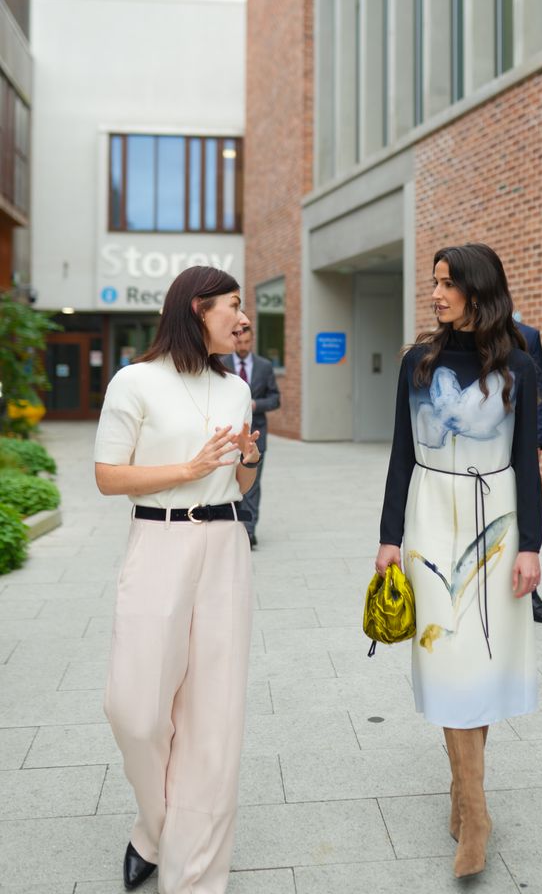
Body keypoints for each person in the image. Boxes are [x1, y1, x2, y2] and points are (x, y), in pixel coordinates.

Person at [376, 243, 542, 879]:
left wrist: (532, 545)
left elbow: (526, 460)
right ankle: (475, 813)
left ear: (479, 290)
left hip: (496, 518)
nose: (436, 294)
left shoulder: (519, 366)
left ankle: (464, 799)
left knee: (482, 661)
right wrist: (389, 536)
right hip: (429, 517)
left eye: (448, 284)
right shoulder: (417, 363)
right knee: (447, 658)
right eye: (435, 283)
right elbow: (400, 453)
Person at [94, 266, 261, 894]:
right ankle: (156, 827)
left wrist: (250, 460)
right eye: (232, 306)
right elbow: (108, 476)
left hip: (225, 545)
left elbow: (239, 483)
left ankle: (194, 873)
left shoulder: (235, 388)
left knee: (213, 714)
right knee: (134, 710)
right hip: (158, 540)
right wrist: (186, 469)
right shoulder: (134, 381)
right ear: (197, 309)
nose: (242, 318)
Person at [222, 325, 280, 547]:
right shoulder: (222, 364)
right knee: (230, 482)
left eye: (247, 342)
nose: (243, 347)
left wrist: (257, 404)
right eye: (239, 342)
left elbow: (275, 399)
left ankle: (249, 529)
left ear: (252, 341)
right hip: (229, 436)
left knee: (252, 484)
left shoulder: (264, 366)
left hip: (257, 434)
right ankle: (233, 525)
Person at [516, 320, 542, 625]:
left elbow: (539, 391)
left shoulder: (527, 336)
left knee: (526, 508)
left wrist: (537, 441)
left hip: (523, 442)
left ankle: (532, 590)